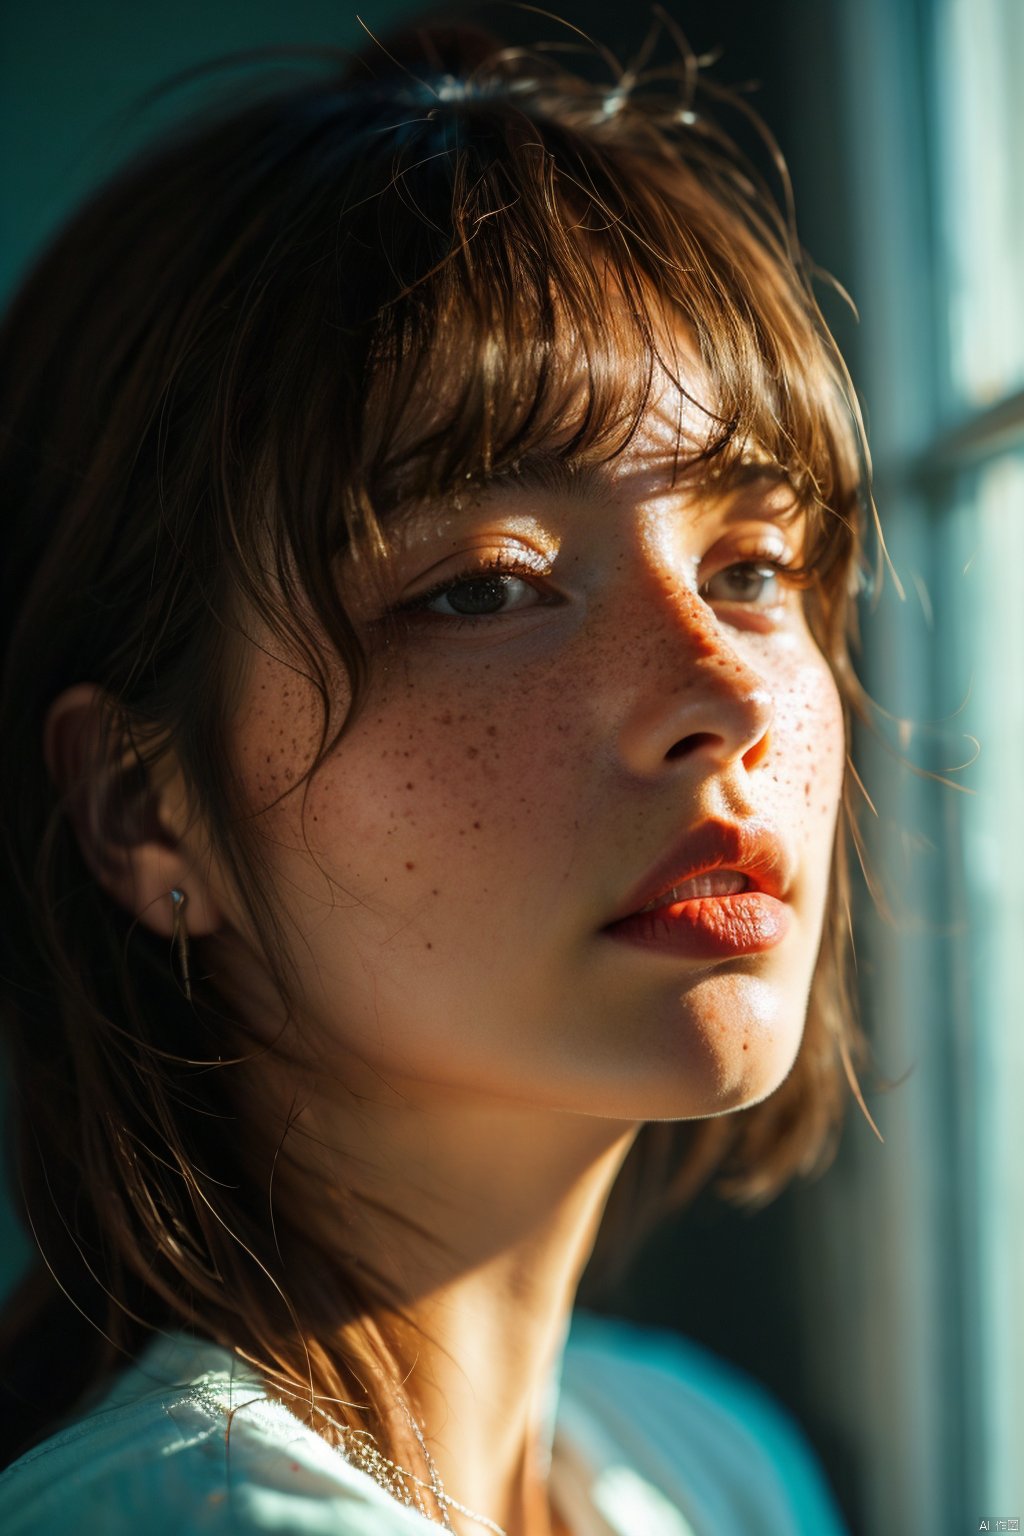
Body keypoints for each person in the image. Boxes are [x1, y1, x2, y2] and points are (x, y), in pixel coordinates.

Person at [0, 14, 874, 1535]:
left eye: (751, 562)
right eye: (483, 584)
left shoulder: (704, 1464)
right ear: (147, 810)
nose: (728, 692)